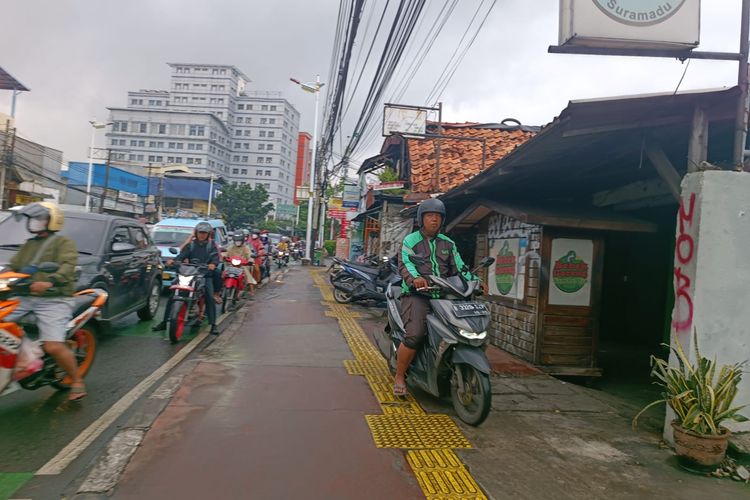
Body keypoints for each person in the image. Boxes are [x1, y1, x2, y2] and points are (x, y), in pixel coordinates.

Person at [393, 198, 486, 396]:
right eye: (430, 216)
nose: (434, 220)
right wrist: (416, 278)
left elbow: (460, 268)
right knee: (415, 334)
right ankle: (400, 376)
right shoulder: (411, 241)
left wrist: (474, 281)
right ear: (421, 219)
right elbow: (406, 264)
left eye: (438, 217)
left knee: (458, 329)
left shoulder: (448, 243)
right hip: (417, 295)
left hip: (444, 294)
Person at [7, 202, 86, 401]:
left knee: (53, 346)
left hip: (54, 299)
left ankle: (77, 380)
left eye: (39, 219)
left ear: (52, 221)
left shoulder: (63, 243)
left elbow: (68, 266)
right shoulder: (29, 244)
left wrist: (49, 281)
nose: (34, 223)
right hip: (25, 297)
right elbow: (13, 265)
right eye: (33, 219)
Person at [153, 222, 222, 335]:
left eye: (204, 233)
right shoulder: (191, 245)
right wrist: (174, 261)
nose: (202, 235)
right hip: (190, 273)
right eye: (200, 232)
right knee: (173, 295)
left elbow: (215, 258)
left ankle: (213, 325)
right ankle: (164, 322)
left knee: (209, 297)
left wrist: (213, 264)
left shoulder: (212, 245)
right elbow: (181, 256)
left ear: (208, 234)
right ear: (196, 233)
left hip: (205, 275)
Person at [226, 232, 256, 296]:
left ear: (242, 241)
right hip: (231, 265)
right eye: (236, 241)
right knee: (223, 273)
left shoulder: (246, 248)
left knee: (247, 274)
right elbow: (225, 252)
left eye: (239, 241)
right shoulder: (231, 247)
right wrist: (223, 256)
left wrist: (250, 260)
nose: (238, 242)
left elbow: (250, 255)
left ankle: (251, 290)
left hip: (242, 265)